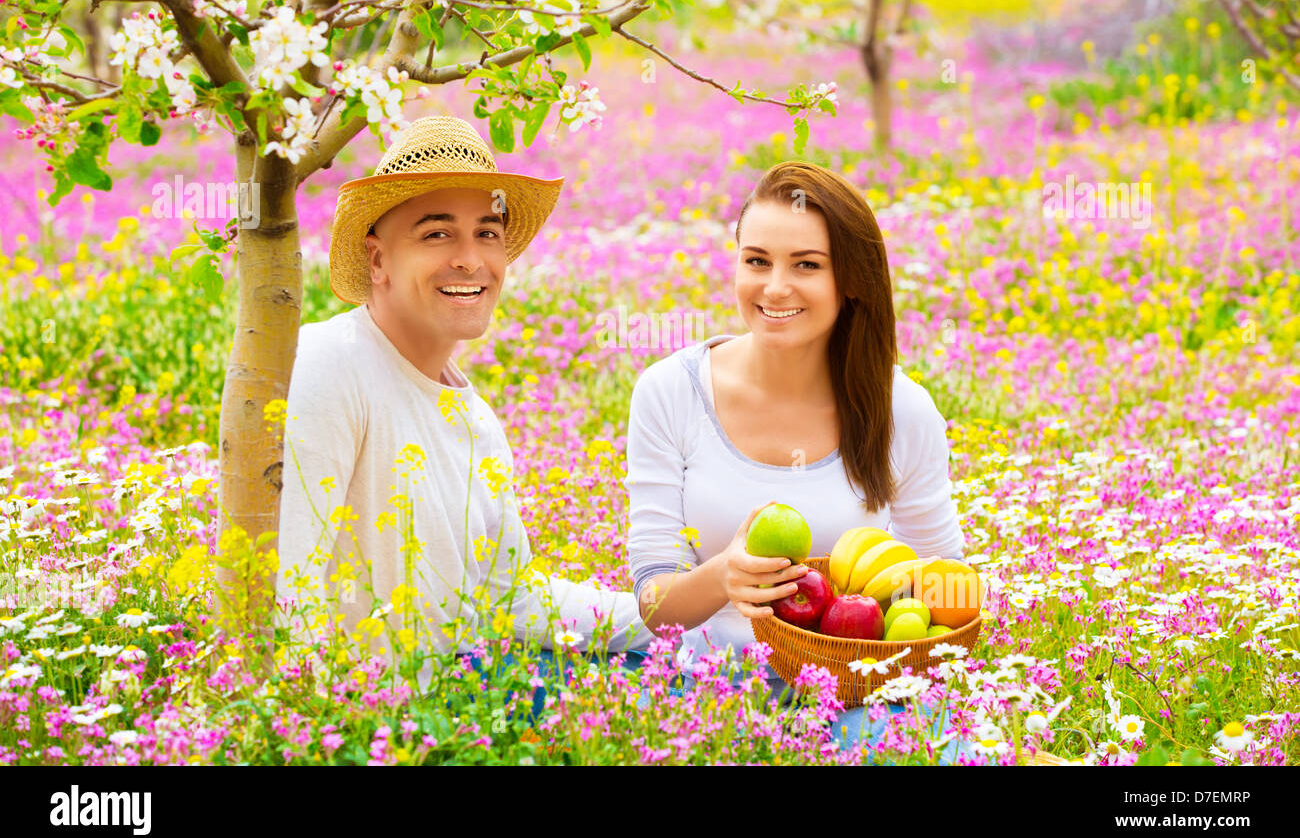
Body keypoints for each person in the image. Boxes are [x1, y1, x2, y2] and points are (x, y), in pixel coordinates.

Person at [274, 116, 651, 693]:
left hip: (455, 702)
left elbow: (515, 597)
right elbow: (287, 588)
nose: (472, 261)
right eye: (437, 234)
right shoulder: (331, 364)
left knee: (693, 673)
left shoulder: (475, 420)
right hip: (367, 722)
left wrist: (673, 614)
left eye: (488, 233)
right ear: (377, 261)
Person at [626, 160, 968, 759]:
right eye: (756, 260)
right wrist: (722, 576)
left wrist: (893, 656)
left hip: (861, 699)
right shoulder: (670, 392)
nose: (774, 287)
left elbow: (949, 587)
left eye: (806, 265)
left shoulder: (902, 411)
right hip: (713, 694)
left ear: (852, 280)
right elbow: (655, 604)